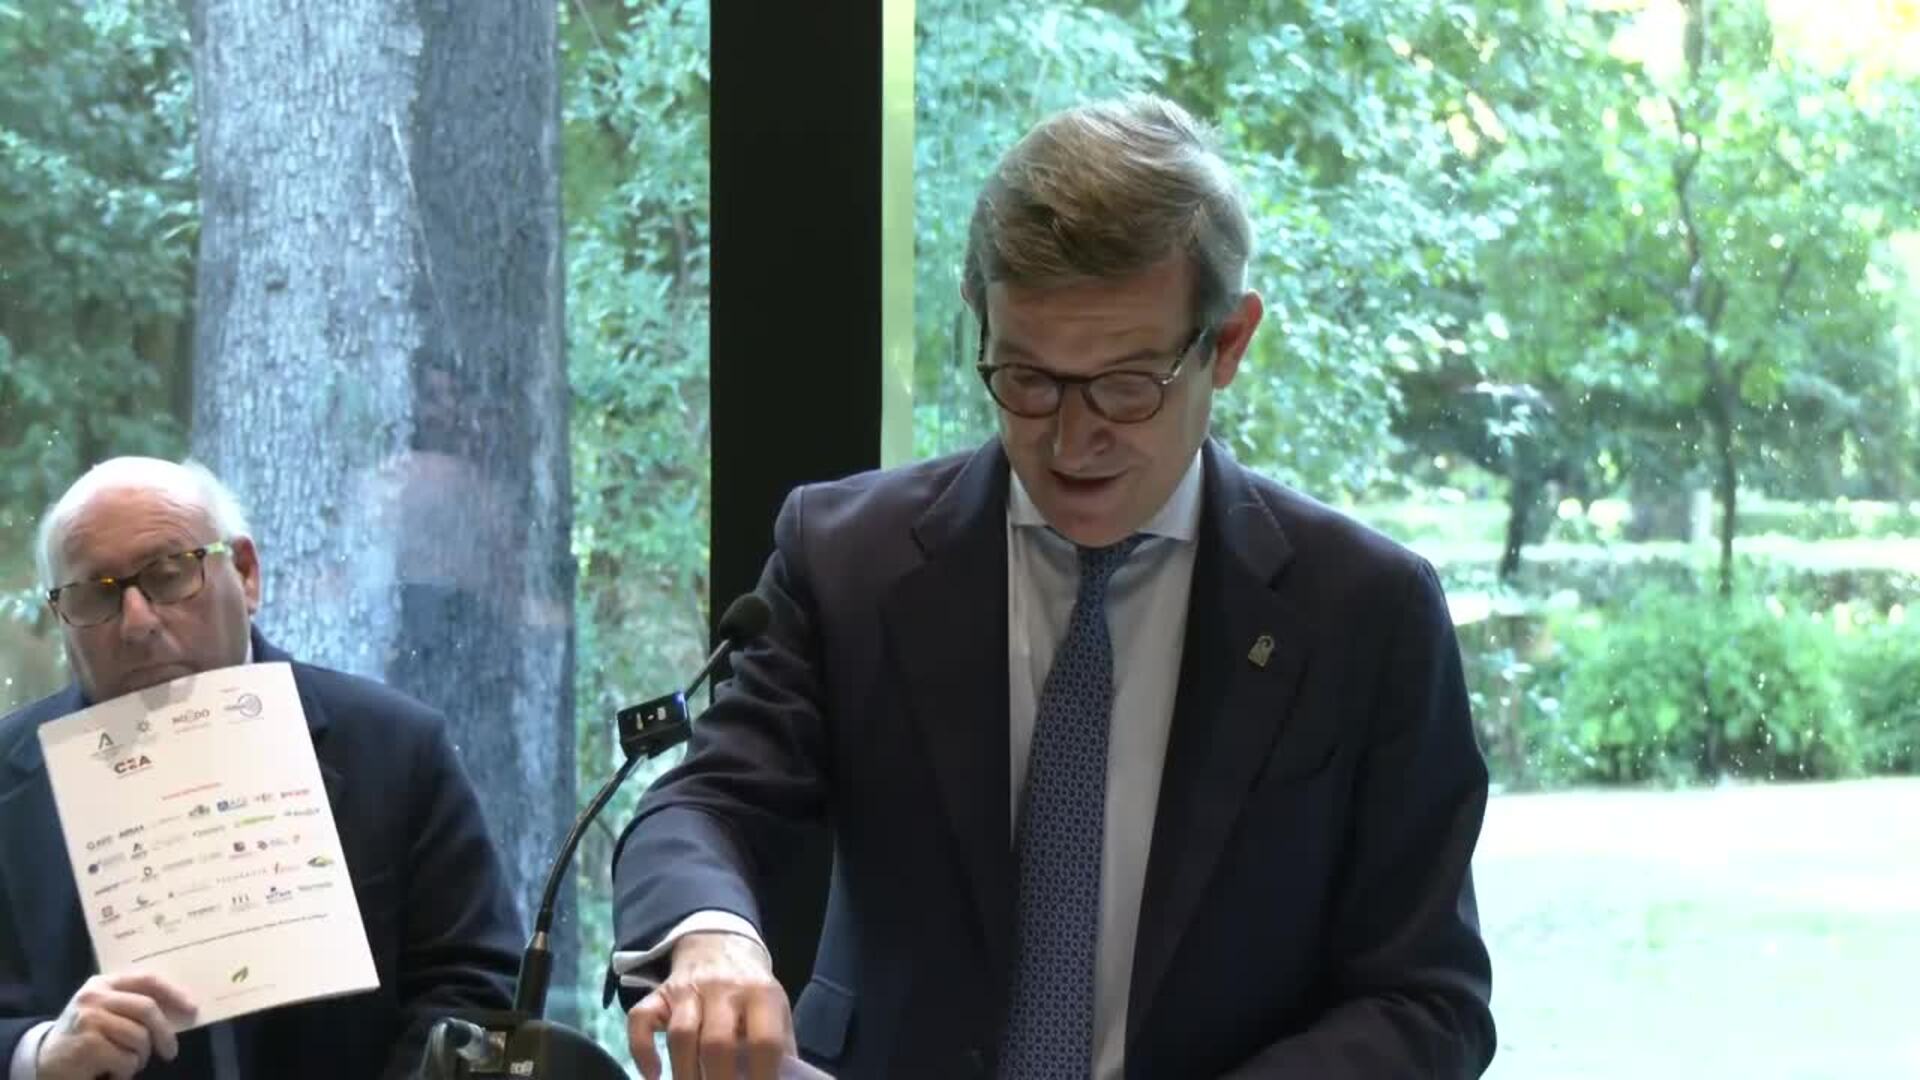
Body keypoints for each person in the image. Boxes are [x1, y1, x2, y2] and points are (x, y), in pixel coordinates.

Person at [611, 94, 1495, 1079]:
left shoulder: (1365, 612)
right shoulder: (849, 559)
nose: (1072, 442)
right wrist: (712, 936)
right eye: (1028, 379)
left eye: (1127, 385)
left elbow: (1428, 999)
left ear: (1229, 344)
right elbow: (709, 804)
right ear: (980, 324)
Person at [0, 457, 523, 1079]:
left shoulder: (396, 747)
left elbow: (475, 989)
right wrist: (35, 1055)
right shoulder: (6, 778)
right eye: (96, 595)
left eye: (169, 575)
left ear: (246, 573)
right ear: (61, 616)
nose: (137, 622)